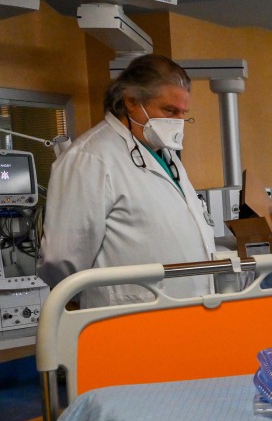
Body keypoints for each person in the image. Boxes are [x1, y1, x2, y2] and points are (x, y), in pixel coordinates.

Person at [38, 54, 216, 307]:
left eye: (182, 113)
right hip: (127, 315)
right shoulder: (90, 157)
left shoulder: (165, 156)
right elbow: (61, 259)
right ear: (131, 101)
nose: (177, 122)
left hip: (184, 309)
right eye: (168, 110)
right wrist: (82, 301)